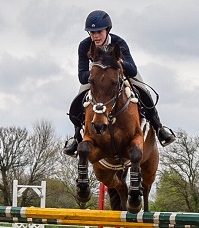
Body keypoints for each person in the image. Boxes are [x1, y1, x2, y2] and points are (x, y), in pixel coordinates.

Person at [63, 10, 176, 157]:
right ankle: (76, 137)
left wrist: (117, 63)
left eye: (99, 32)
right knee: (79, 99)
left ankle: (159, 128)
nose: (95, 36)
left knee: (143, 90)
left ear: (107, 30)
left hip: (121, 74)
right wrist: (98, 73)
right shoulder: (84, 46)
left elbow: (132, 69)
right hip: (97, 78)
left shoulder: (119, 42)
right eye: (92, 33)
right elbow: (82, 76)